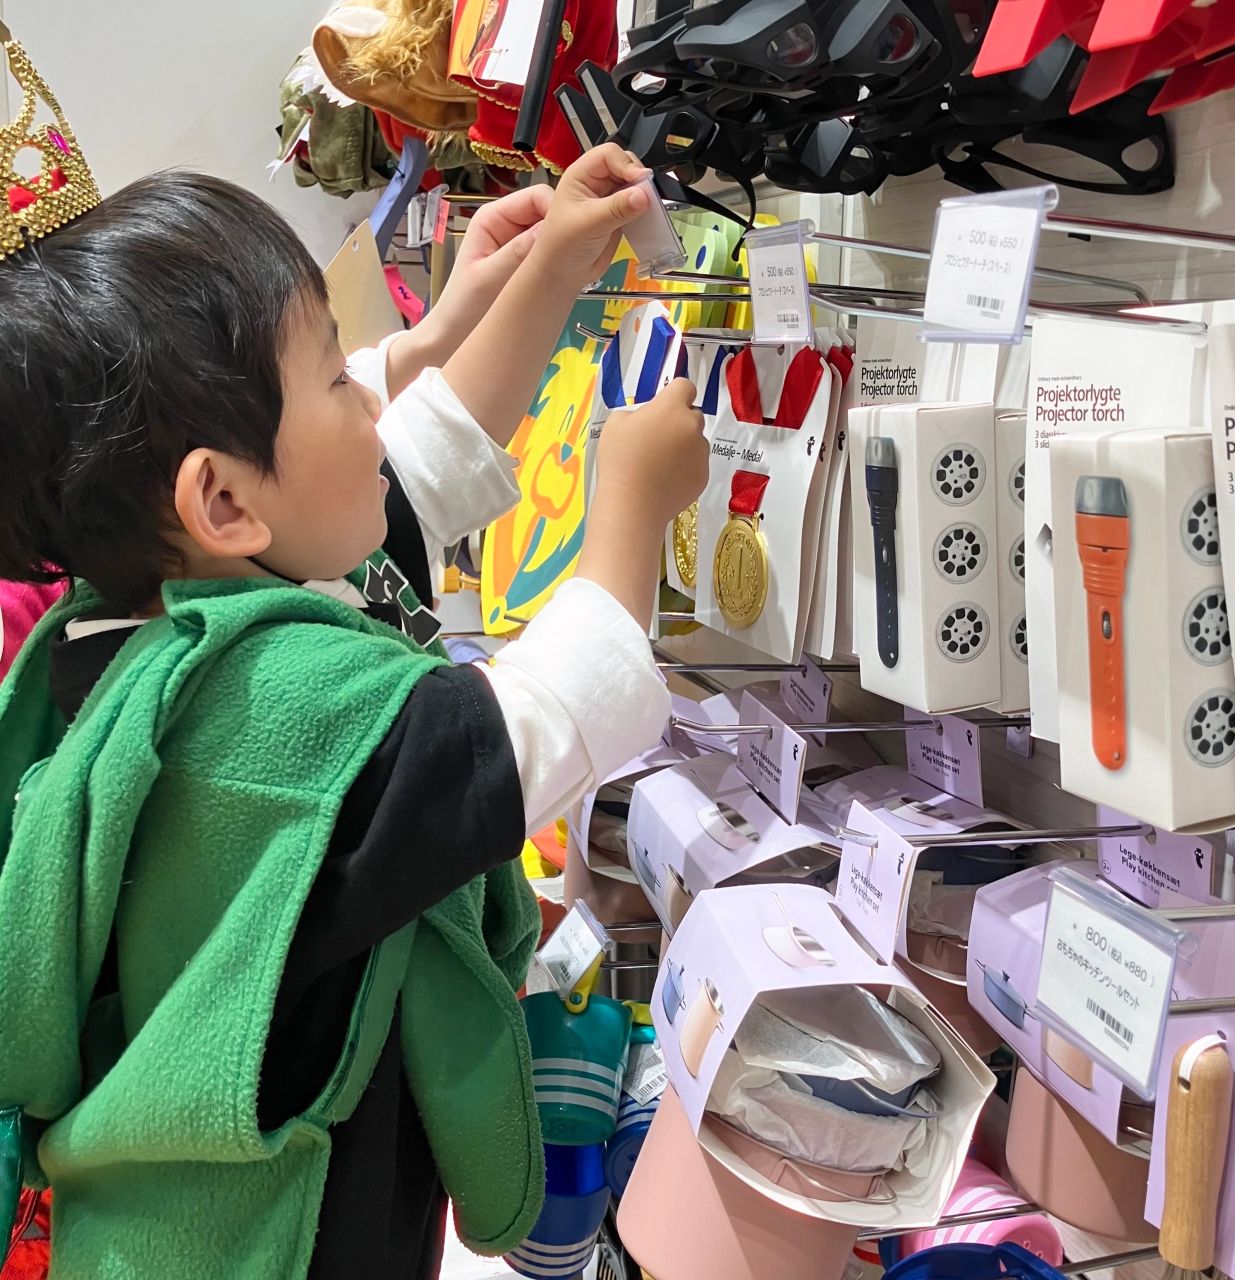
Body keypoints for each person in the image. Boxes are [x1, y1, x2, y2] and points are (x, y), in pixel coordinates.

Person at [0, 124, 708, 1280]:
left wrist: (551, 273)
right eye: (336, 374)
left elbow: (413, 471)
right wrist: (630, 498)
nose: (374, 401)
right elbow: (538, 721)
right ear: (223, 501)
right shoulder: (253, 728)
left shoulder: (165, 617)